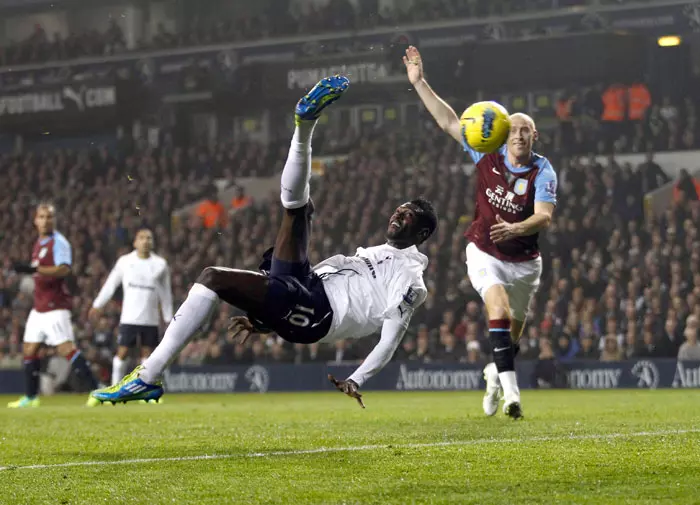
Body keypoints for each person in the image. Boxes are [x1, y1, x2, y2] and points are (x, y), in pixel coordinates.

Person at [90, 75, 437, 407]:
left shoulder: (410, 280)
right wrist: (268, 319)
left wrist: (358, 378)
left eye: (407, 217)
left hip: (319, 313)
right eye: (399, 210)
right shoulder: (381, 252)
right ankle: (305, 124)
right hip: (307, 285)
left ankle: (149, 374)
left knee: (213, 277)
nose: (397, 215)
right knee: (299, 208)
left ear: (421, 234)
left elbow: (390, 338)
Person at [404, 46, 557, 419]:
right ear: (504, 134)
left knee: (512, 334)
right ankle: (513, 396)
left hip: (525, 262)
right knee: (498, 308)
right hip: (485, 251)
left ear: (534, 136)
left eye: (525, 130)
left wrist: (517, 227)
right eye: (514, 130)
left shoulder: (543, 171)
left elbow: (545, 216)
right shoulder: (485, 153)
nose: (519, 135)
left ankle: (494, 375)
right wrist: (419, 82)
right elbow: (448, 121)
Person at [8, 204, 99, 408]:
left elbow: (63, 270)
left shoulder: (59, 242)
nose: (46, 220)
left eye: (50, 217)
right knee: (29, 349)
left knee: (66, 348)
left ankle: (97, 391)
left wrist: (34, 269)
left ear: (54, 220)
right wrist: (33, 270)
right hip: (39, 306)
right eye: (42, 217)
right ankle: (31, 397)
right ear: (35, 220)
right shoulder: (38, 243)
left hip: (55, 305)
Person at [89, 228, 173, 386]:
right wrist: (97, 304)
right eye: (142, 238)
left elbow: (166, 293)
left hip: (150, 318)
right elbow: (111, 284)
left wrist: (168, 317)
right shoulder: (125, 262)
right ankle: (114, 387)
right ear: (135, 242)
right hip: (129, 317)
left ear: (153, 242)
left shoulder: (160, 264)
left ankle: (145, 388)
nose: (146, 241)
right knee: (123, 353)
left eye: (149, 238)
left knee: (147, 355)